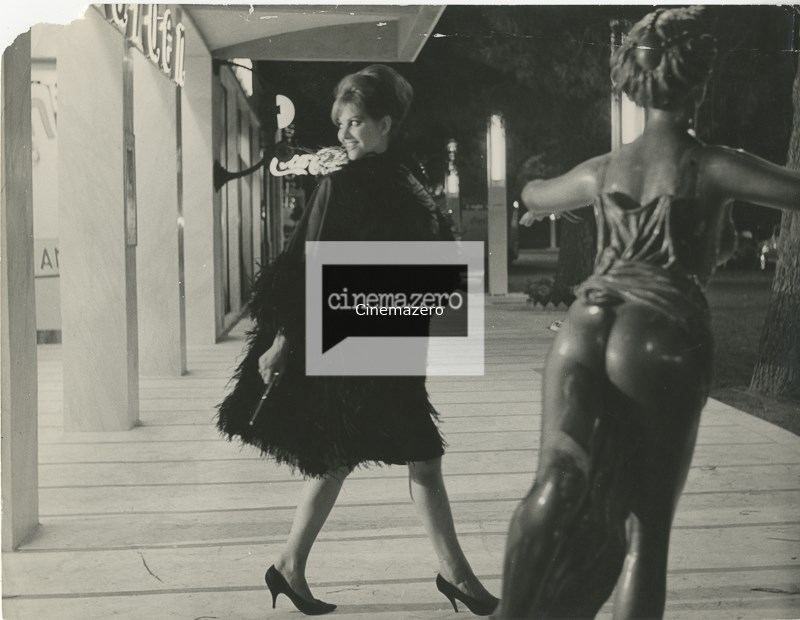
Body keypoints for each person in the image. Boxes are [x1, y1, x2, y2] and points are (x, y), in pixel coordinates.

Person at [497, 8, 800, 619]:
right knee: (647, 528)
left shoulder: (603, 169)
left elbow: (536, 194)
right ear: (699, 82)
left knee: (553, 482)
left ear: (631, 83)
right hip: (658, 333)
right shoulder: (712, 164)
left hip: (585, 322)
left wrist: (533, 194)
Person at [216, 64, 498, 616]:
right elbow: (303, 266)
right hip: (355, 336)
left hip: (391, 333)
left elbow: (431, 253)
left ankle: (289, 565)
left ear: (385, 123)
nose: (344, 133)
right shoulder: (342, 184)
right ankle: (457, 575)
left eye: (356, 122)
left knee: (347, 453)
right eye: (340, 123)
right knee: (417, 453)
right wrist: (283, 340)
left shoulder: (406, 179)